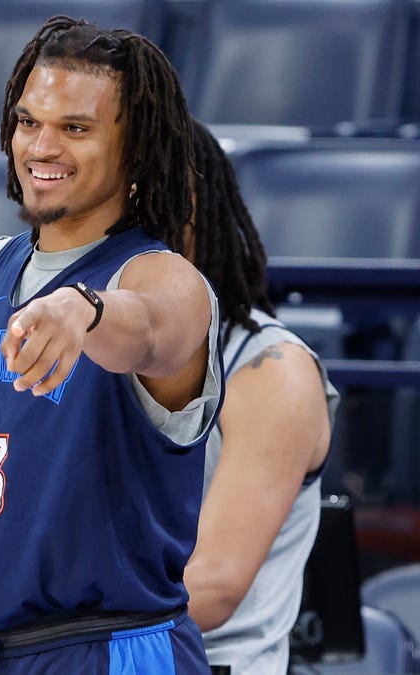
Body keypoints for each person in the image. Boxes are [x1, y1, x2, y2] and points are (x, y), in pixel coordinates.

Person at [0, 16, 223, 673]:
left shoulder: (161, 276)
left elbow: (157, 326)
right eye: (29, 123)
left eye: (74, 128)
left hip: (109, 646)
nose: (40, 147)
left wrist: (86, 308)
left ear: (134, 149)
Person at [182, 120, 339, 674]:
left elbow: (215, 585)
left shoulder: (270, 370)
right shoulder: (76, 353)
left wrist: (43, 632)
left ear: (202, 220)